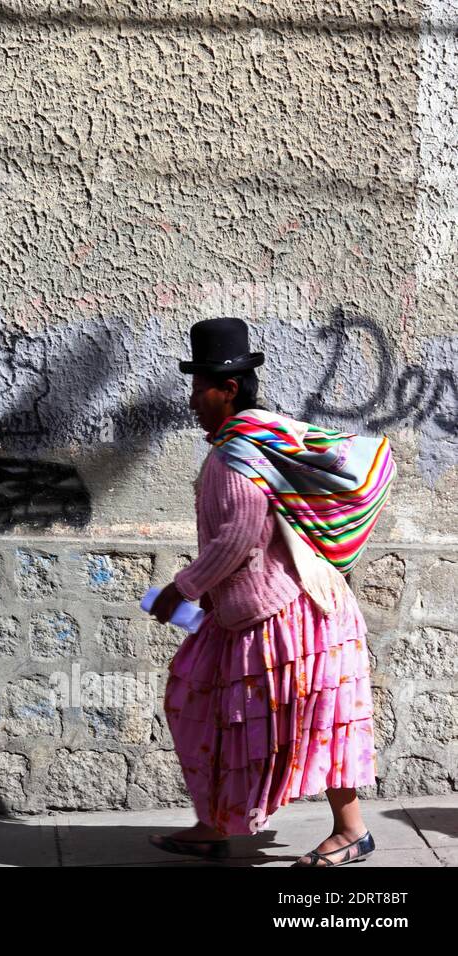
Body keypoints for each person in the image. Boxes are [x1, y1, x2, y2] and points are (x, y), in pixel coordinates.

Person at [149, 317, 393, 867]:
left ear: (227, 389)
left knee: (319, 720)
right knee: (202, 701)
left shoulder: (236, 457)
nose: (192, 400)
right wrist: (205, 597)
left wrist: (180, 589)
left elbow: (239, 537)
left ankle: (350, 831)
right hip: (252, 612)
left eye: (199, 388)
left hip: (292, 613)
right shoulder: (256, 443)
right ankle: (213, 824)